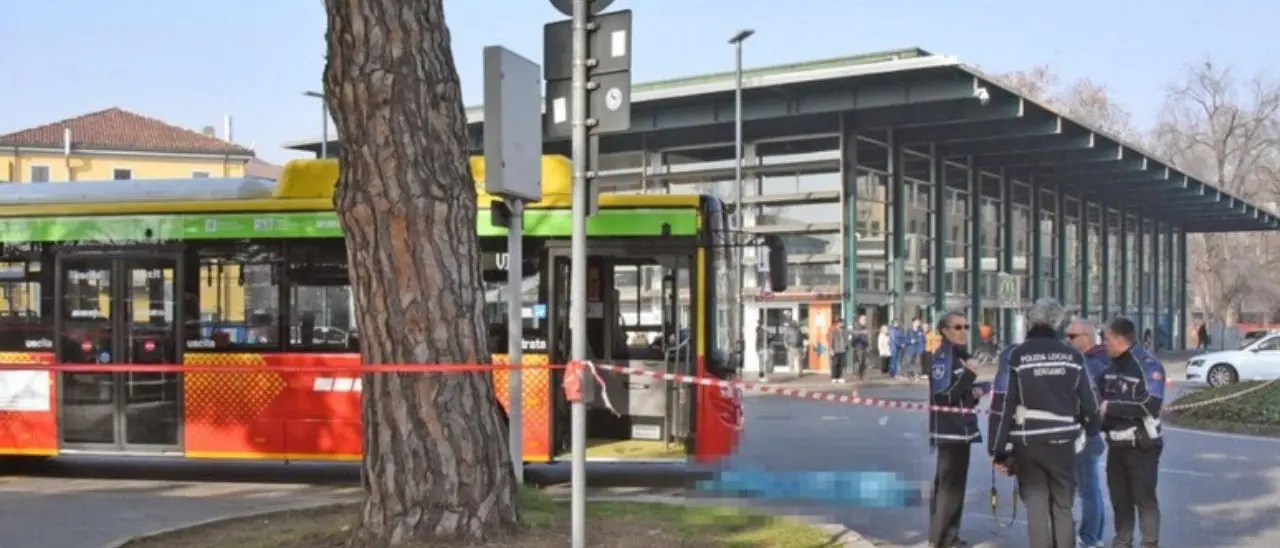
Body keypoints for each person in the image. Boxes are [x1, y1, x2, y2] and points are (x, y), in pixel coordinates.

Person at [990, 298, 1100, 548]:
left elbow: (1006, 404)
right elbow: (1090, 403)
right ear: (1057, 322)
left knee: (1036, 509)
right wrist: (1087, 428)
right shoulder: (1072, 356)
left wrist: (998, 450)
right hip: (1064, 442)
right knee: (1063, 507)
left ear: (1031, 321)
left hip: (1028, 443)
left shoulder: (1018, 356)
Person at [1098, 317, 1166, 548]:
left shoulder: (1147, 364)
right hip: (1116, 445)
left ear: (1118, 339)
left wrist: (1112, 408)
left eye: (1106, 339)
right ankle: (1122, 542)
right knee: (1120, 500)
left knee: (1144, 500)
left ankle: (1149, 543)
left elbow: (1152, 405)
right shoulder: (1109, 367)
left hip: (1141, 444)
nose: (1104, 344)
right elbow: (1094, 403)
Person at [927, 311, 989, 548]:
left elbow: (961, 397)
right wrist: (969, 376)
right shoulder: (944, 357)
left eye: (965, 326)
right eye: (957, 327)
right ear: (944, 331)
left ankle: (950, 536)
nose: (963, 331)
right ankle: (940, 539)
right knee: (948, 488)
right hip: (950, 431)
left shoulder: (961, 355)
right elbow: (943, 398)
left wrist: (976, 391)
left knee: (955, 487)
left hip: (962, 429)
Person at [1066, 318, 1109, 548]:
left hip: (1084, 433)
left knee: (1087, 490)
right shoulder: (1101, 360)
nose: (1067, 340)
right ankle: (1094, 536)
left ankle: (1089, 537)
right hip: (1091, 433)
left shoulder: (1090, 365)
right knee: (1090, 488)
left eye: (1072, 336)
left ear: (1087, 338)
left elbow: (1085, 402)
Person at [781, 311, 804, 376]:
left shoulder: (799, 330)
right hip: (791, 347)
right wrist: (786, 346)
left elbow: (801, 338)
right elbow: (785, 339)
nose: (796, 325)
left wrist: (802, 347)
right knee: (791, 360)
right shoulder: (788, 330)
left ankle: (800, 372)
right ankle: (792, 371)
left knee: (799, 360)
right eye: (795, 324)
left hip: (798, 347)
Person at [850, 314, 871, 380]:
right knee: (859, 361)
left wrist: (867, 345)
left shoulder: (864, 327)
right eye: (864, 319)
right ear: (860, 320)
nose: (865, 321)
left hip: (864, 346)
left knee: (864, 361)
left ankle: (861, 375)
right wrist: (862, 333)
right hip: (859, 346)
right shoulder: (857, 326)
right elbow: (855, 336)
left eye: (866, 320)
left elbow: (865, 338)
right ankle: (856, 375)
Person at [827, 317, 849, 384]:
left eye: (843, 323)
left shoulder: (844, 331)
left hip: (842, 350)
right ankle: (834, 377)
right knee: (834, 364)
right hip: (835, 349)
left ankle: (839, 377)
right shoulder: (833, 331)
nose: (843, 324)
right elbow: (830, 341)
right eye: (842, 323)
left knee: (840, 364)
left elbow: (846, 340)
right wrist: (831, 349)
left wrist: (846, 346)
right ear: (838, 323)